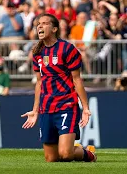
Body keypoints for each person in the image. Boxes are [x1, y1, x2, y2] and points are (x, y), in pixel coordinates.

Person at [21, 14, 96, 162]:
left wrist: (85, 107)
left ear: (54, 28)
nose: (39, 26)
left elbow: (77, 80)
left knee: (66, 154)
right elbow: (39, 82)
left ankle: (89, 154)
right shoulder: (37, 53)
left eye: (44, 23)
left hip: (66, 105)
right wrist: (35, 110)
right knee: (51, 159)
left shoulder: (67, 49)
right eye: (38, 24)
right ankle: (76, 149)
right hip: (46, 107)